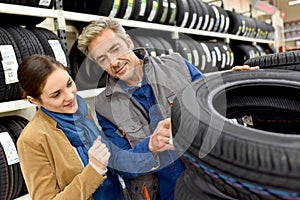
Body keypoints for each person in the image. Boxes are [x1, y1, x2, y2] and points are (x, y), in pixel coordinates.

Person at [77, 17, 259, 200]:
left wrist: (234, 86)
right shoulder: (103, 106)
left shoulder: (178, 66)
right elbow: (121, 163)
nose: (113, 61)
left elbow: (214, 107)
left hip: (207, 183)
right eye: (102, 59)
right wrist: (149, 146)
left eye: (115, 49)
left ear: (128, 42)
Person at [16, 54, 174, 200]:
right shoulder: (32, 140)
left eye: (69, 84)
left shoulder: (82, 110)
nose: (70, 96)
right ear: (34, 101)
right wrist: (94, 170)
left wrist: (151, 145)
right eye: (56, 94)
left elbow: (112, 157)